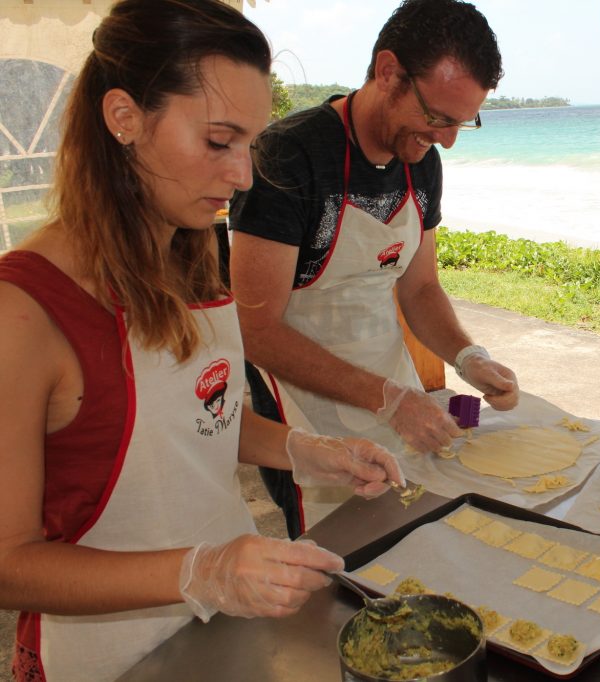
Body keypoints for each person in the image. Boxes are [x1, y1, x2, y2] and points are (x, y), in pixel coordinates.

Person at [0, 2, 404, 680]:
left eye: (251, 143)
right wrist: (201, 570)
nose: (243, 175)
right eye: (219, 142)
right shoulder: (26, 312)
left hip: (227, 628)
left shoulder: (193, 257)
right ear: (123, 117)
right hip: (110, 657)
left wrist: (307, 450)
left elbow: (197, 415)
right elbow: (9, 564)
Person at [228, 0, 519, 536]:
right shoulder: (289, 158)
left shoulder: (421, 161)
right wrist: (386, 399)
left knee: (415, 533)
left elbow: (421, 287)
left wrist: (467, 356)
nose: (447, 139)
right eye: (438, 117)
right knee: (342, 554)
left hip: (394, 392)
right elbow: (253, 329)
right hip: (303, 408)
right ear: (389, 73)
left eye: (462, 122)